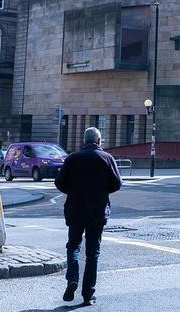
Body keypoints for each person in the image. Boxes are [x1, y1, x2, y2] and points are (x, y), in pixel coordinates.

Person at [55, 127, 121, 306]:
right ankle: (88, 294)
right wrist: (102, 190)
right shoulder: (107, 158)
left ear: (84, 141)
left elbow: (59, 183)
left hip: (75, 209)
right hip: (97, 211)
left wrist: (73, 190)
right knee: (93, 253)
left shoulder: (73, 158)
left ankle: (72, 278)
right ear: (99, 141)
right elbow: (117, 184)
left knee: (73, 246)